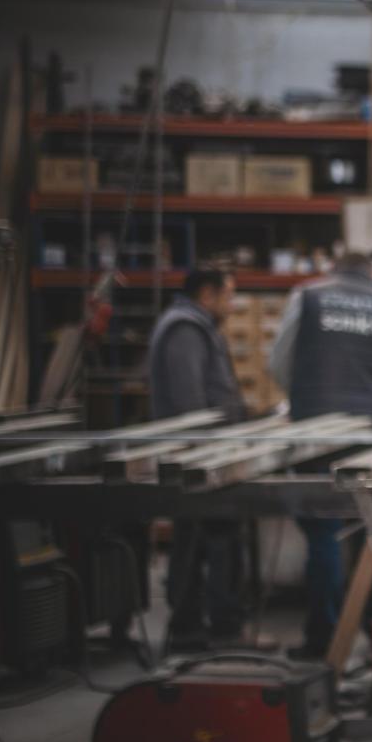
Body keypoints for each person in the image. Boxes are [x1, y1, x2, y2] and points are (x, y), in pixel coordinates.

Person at [270, 251, 372, 661]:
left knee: (323, 534)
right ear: (371, 273)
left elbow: (279, 363)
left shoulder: (308, 297)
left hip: (315, 432)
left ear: (334, 268)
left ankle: (324, 640)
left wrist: (304, 398)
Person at [146, 266, 252, 651]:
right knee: (207, 540)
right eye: (228, 295)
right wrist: (208, 452)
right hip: (198, 457)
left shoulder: (196, 326)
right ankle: (207, 629)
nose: (233, 303)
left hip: (209, 453)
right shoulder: (184, 329)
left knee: (209, 538)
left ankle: (206, 626)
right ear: (207, 294)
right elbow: (189, 403)